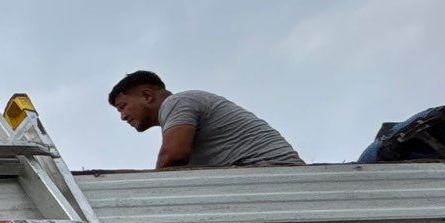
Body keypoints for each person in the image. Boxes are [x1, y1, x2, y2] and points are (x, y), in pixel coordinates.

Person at [108, 70, 303, 169]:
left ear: (147, 96)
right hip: (263, 172)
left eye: (123, 106)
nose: (123, 116)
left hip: (271, 170)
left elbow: (173, 157)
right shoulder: (178, 114)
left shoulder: (177, 102)